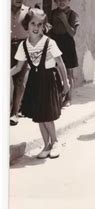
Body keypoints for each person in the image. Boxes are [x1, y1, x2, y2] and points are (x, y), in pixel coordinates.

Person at [10, 8, 70, 159]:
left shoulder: (49, 43)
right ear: (27, 25)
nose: (36, 28)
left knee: (47, 115)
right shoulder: (24, 46)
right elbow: (18, 67)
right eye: (33, 24)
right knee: (39, 116)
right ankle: (46, 145)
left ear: (44, 26)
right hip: (35, 82)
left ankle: (55, 142)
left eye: (40, 24)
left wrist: (66, 83)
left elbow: (61, 64)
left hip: (49, 80)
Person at [48, 0, 79, 107]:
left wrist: (64, 20)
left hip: (67, 44)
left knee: (68, 72)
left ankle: (69, 98)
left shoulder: (73, 14)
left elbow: (72, 33)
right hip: (55, 44)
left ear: (69, 0)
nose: (61, 1)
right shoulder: (52, 13)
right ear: (55, 0)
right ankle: (58, 96)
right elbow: (49, 29)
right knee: (55, 71)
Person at [10, 0, 30, 126]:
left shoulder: (28, 12)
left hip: (22, 47)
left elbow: (37, 29)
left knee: (19, 81)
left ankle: (15, 113)